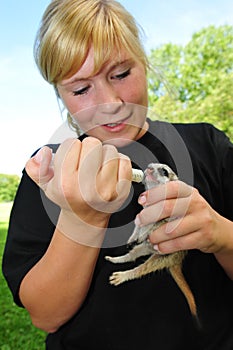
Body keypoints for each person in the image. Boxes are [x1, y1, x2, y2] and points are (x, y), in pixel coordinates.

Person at [2, 0, 233, 349]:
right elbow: (45, 315)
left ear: (145, 63)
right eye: (81, 89)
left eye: (121, 74)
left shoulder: (208, 145)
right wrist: (82, 217)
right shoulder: (50, 169)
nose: (110, 101)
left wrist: (220, 233)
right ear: (61, 96)